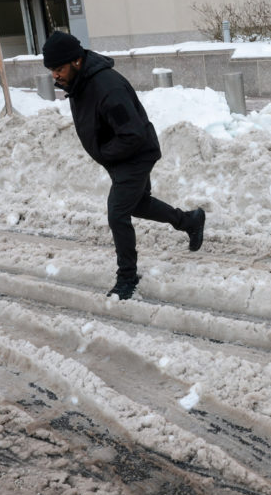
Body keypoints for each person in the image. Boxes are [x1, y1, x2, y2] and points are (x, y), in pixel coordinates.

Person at [41, 30, 205, 300]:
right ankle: (190, 221)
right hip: (123, 155)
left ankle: (127, 278)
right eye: (51, 70)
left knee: (118, 213)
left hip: (134, 154)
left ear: (77, 61)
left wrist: (105, 152)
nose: (54, 76)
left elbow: (132, 134)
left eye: (58, 69)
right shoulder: (81, 81)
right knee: (138, 204)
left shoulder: (106, 87)